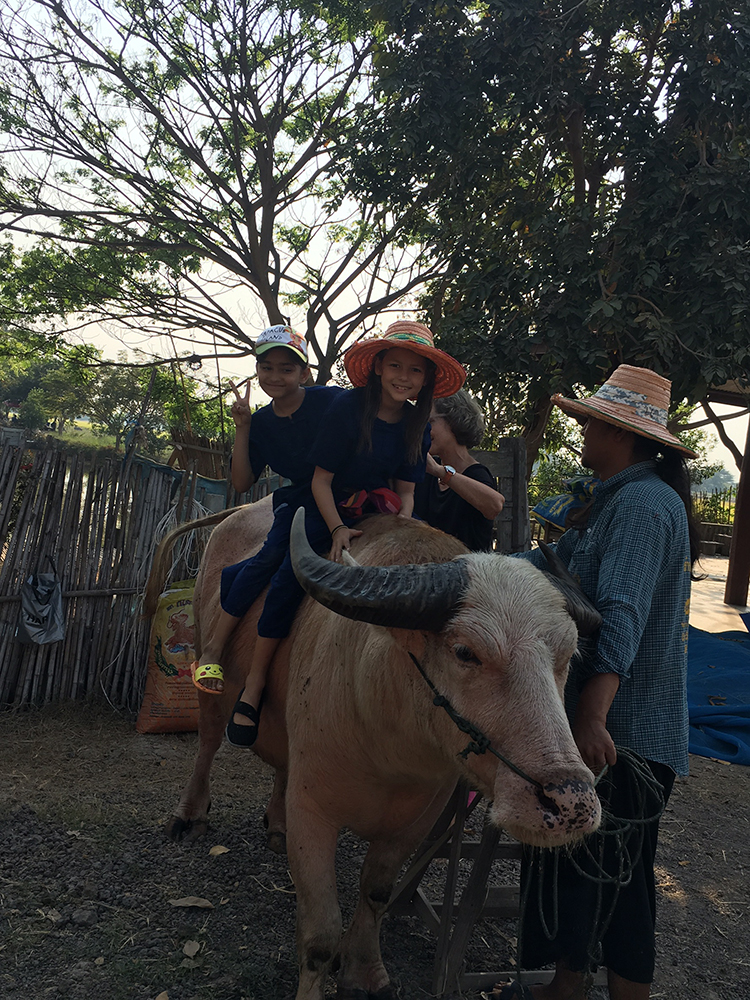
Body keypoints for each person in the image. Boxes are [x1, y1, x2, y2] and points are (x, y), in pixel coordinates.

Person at [500, 365, 700, 1000]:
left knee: (620, 875)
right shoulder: (605, 498)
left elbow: (623, 612)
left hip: (626, 728)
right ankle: (566, 985)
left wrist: (590, 716)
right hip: (607, 721)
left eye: (593, 421)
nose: (582, 428)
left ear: (623, 433)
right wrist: (467, 568)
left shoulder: (642, 504)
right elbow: (549, 570)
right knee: (580, 865)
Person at [224, 319, 466, 744]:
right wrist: (336, 528)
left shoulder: (417, 425)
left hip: (378, 512)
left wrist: (404, 524)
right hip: (327, 504)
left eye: (414, 371)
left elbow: (406, 492)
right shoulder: (347, 409)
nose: (403, 377)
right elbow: (320, 480)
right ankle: (255, 683)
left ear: (426, 379)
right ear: (377, 367)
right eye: (396, 366)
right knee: (287, 577)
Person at [191, 325, 343, 733]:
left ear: (305, 374)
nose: (276, 376)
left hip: (349, 496)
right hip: (302, 505)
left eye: (286, 369)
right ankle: (225, 660)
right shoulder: (259, 421)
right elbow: (241, 483)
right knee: (271, 567)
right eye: (267, 367)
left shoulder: (331, 401)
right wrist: (242, 427)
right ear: (257, 370)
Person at [413, 389, 505, 551]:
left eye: (429, 421)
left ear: (453, 420)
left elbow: (495, 505)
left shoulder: (476, 474)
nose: (422, 430)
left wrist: (441, 472)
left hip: (469, 571)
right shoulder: (426, 469)